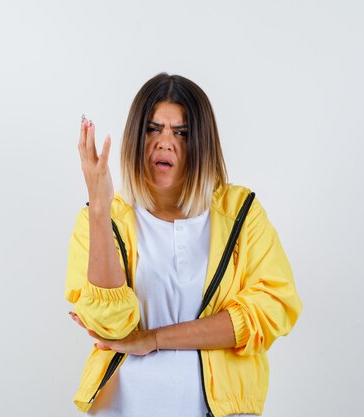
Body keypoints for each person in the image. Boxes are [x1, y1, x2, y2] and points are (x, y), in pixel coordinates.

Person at [65, 73, 302, 417]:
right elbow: (108, 327)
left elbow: (272, 310)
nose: (164, 142)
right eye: (152, 129)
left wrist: (155, 338)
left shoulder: (240, 213)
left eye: (181, 133)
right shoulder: (102, 221)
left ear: (201, 144)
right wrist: (99, 208)